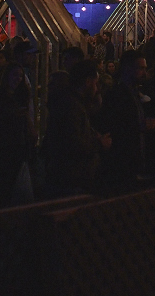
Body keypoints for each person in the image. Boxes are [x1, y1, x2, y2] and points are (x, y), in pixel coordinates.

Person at [44, 60, 110, 196]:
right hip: (71, 179)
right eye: (95, 83)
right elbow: (73, 142)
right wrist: (99, 143)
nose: (97, 88)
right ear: (87, 82)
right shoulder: (72, 106)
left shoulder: (73, 103)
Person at [0, 65, 36, 207]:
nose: (18, 79)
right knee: (3, 183)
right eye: (14, 75)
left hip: (18, 145)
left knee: (12, 182)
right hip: (2, 145)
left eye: (20, 76)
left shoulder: (22, 95)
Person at [98, 51, 149, 188]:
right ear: (128, 69)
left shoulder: (133, 94)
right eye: (141, 68)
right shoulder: (118, 96)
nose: (145, 73)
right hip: (124, 166)